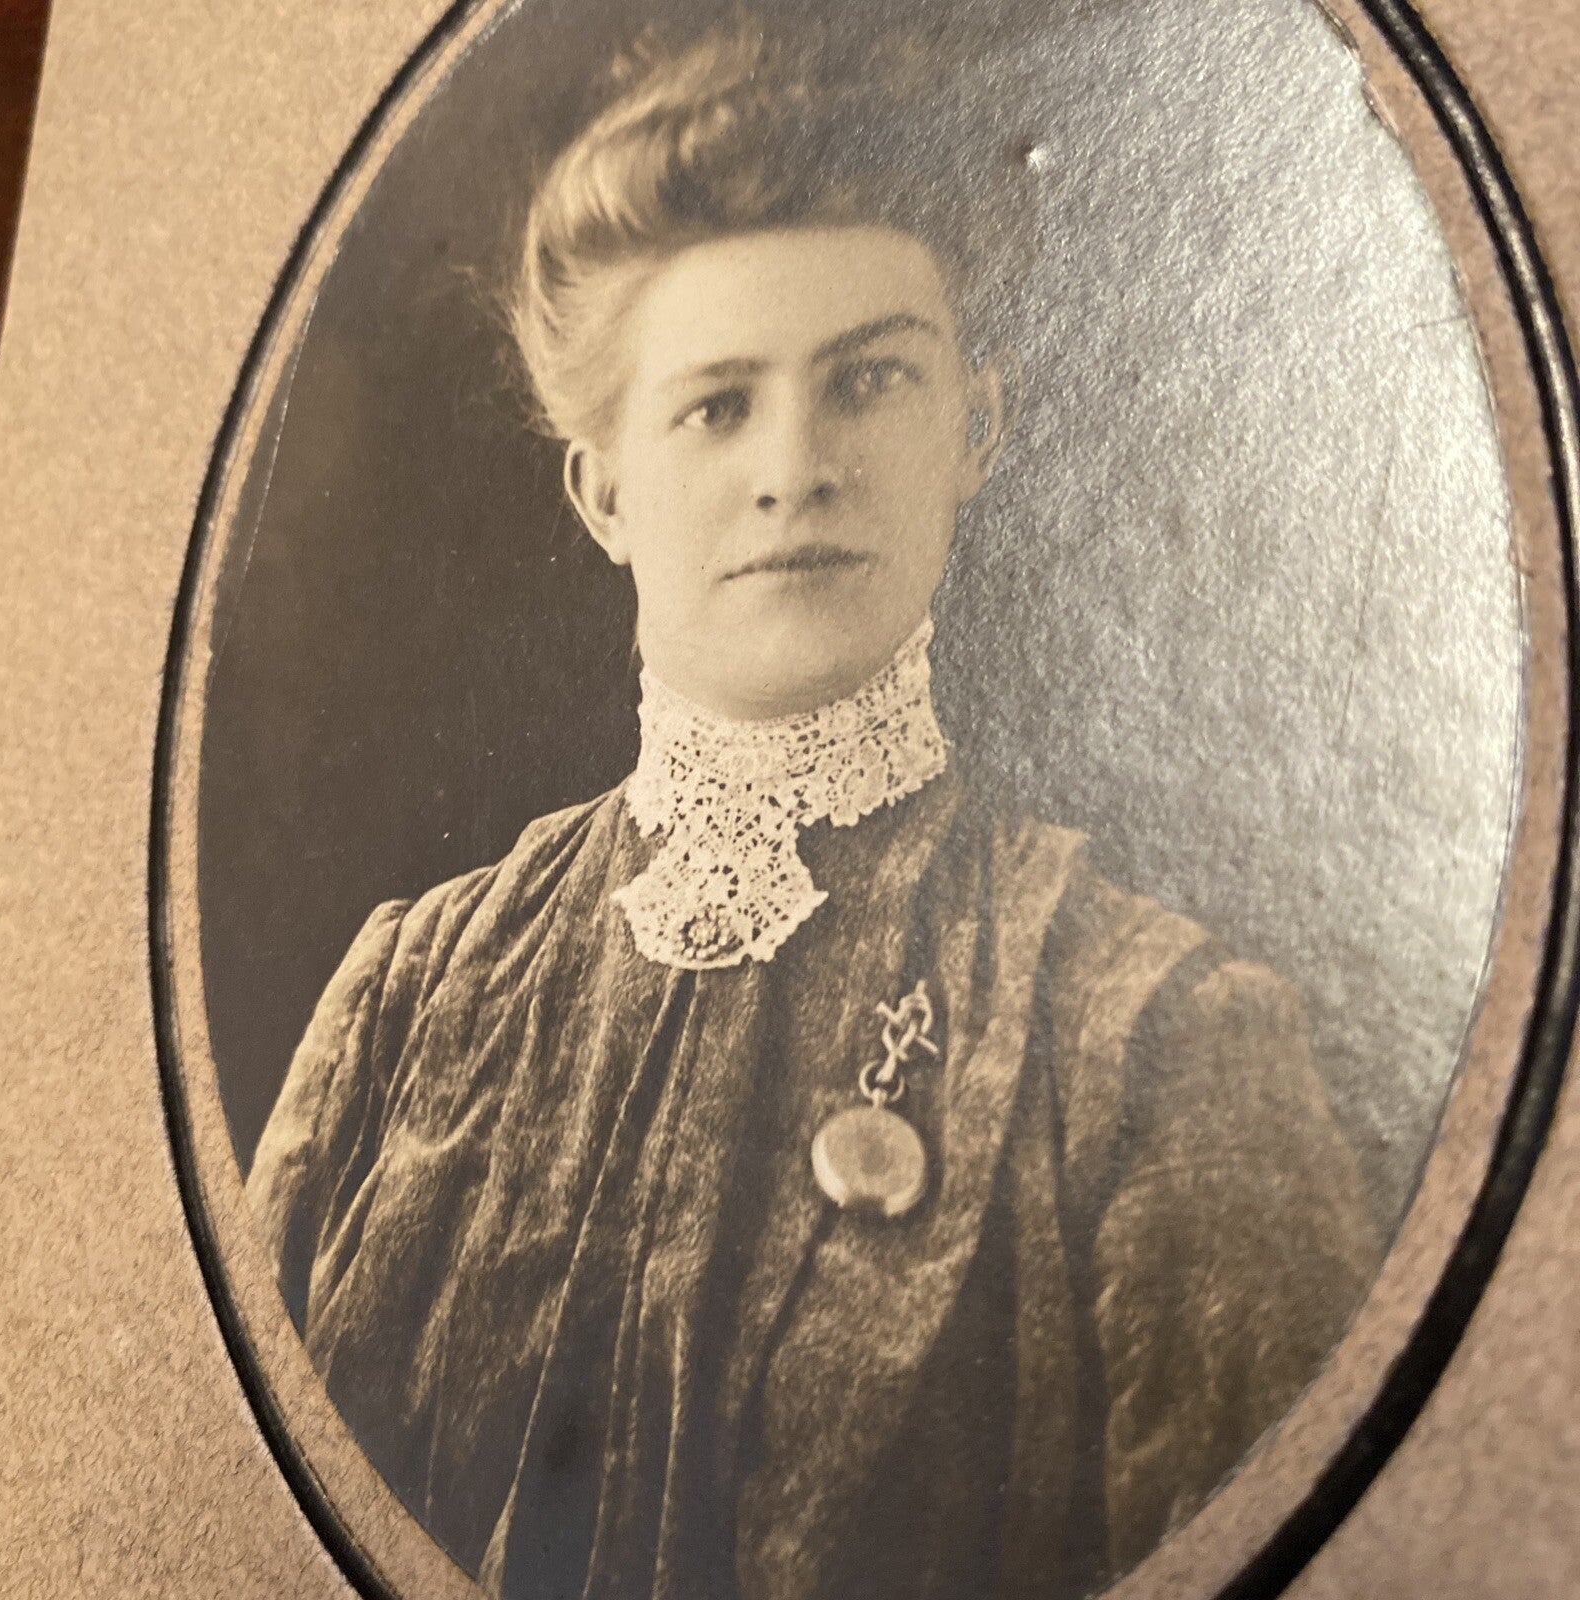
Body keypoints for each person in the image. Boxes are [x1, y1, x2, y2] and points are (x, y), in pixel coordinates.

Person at [246, 20, 1376, 1599]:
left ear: (973, 428)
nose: (798, 468)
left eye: (869, 380)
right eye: (716, 406)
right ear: (606, 490)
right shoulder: (406, 1007)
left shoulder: (1149, 1053)